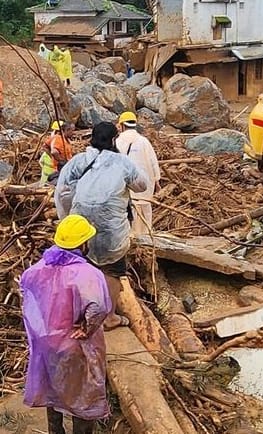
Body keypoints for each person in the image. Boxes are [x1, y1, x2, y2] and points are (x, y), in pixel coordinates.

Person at [20, 214, 112, 434]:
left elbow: (27, 296)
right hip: (75, 346)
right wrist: (86, 328)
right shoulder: (88, 274)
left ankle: (55, 430)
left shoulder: (36, 270)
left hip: (47, 343)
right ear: (82, 244)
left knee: (53, 386)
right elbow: (98, 307)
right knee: (84, 393)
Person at [54, 122, 148, 330]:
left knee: (82, 269)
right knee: (112, 271)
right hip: (111, 231)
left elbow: (61, 192)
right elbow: (142, 185)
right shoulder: (122, 163)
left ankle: (81, 314)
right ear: (114, 139)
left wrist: (66, 219)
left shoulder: (78, 161)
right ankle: (109, 317)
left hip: (80, 229)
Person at [115, 111, 161, 236]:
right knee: (145, 209)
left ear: (122, 125)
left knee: (129, 211)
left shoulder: (118, 142)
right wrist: (157, 181)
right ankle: (146, 235)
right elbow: (153, 162)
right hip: (145, 185)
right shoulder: (144, 141)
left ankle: (131, 236)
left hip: (126, 185)